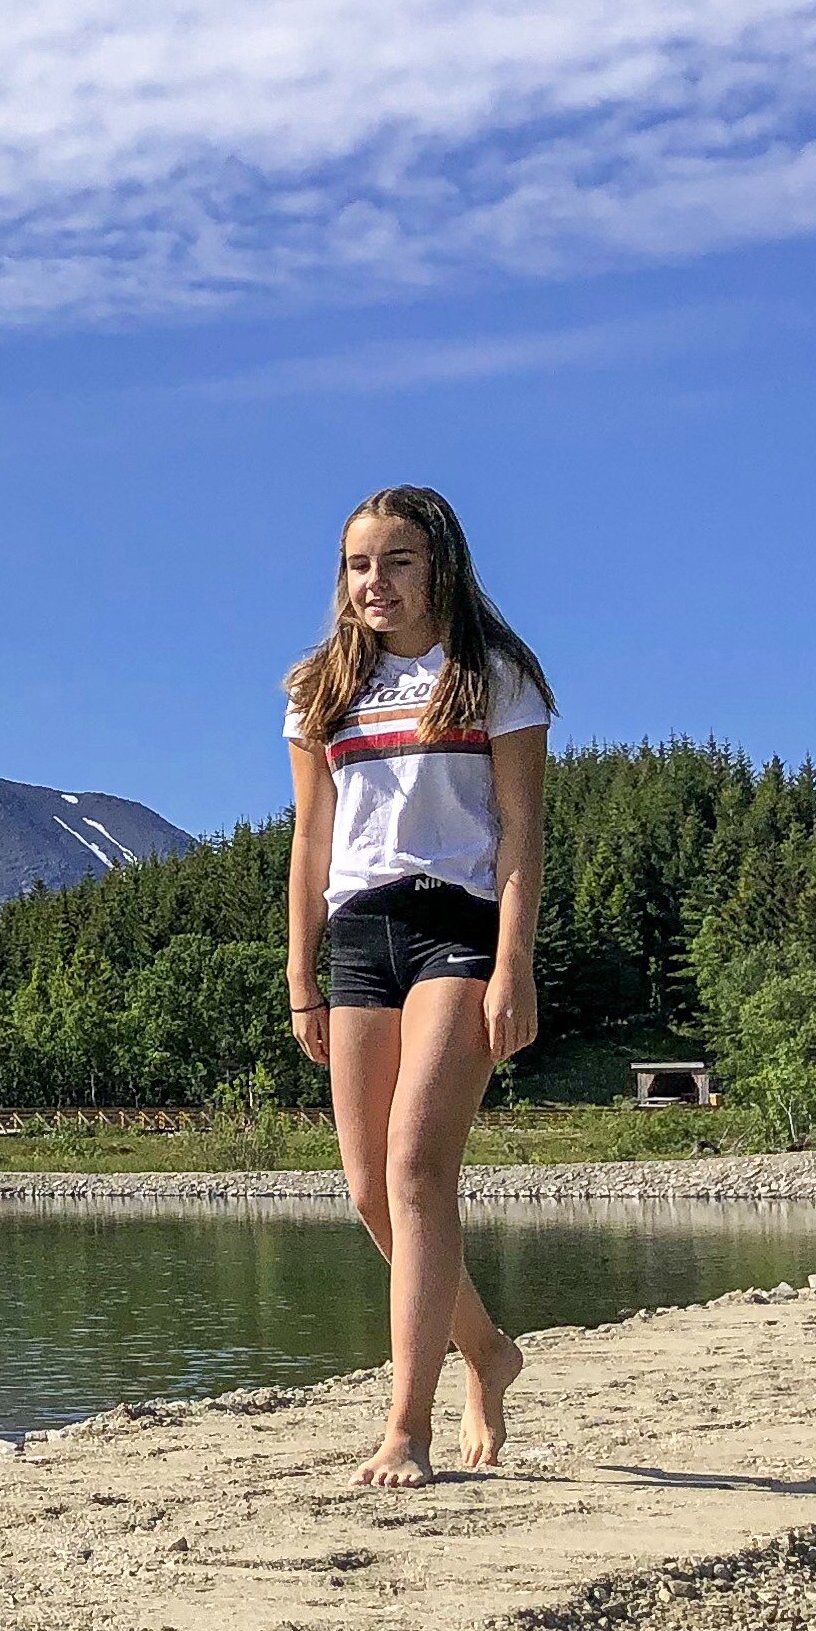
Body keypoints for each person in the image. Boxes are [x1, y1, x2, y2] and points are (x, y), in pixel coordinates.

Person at [281, 485, 555, 1488]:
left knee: (416, 1170)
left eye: (397, 562)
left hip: (457, 925)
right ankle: (486, 1349)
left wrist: (513, 964)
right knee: (368, 1190)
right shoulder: (320, 690)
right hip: (358, 936)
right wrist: (301, 974)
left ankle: (407, 1426)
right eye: (359, 565)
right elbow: (311, 839)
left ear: (439, 565)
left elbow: (520, 833)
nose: (375, 582)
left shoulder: (494, 677)